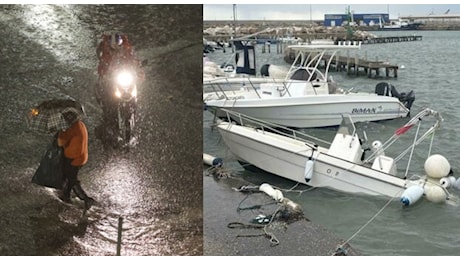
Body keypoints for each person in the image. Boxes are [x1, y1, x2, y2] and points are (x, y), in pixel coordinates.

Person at [57, 108, 95, 210]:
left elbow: (60, 142)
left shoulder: (70, 129)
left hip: (73, 158)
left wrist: (60, 132)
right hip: (82, 157)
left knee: (72, 179)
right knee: (68, 176)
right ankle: (66, 195)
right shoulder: (80, 124)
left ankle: (86, 199)